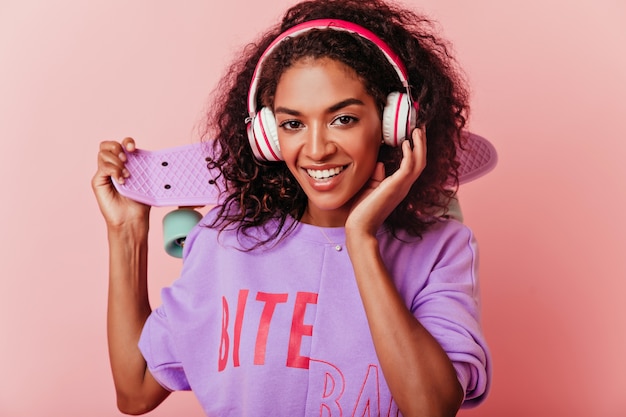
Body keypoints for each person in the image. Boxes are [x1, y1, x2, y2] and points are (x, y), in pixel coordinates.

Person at [91, 0, 491, 415]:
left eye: (343, 119)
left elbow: (431, 408)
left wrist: (361, 240)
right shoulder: (225, 241)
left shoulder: (442, 249)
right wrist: (126, 231)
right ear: (268, 136)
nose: (316, 150)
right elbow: (135, 390)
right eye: (293, 124)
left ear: (394, 123)